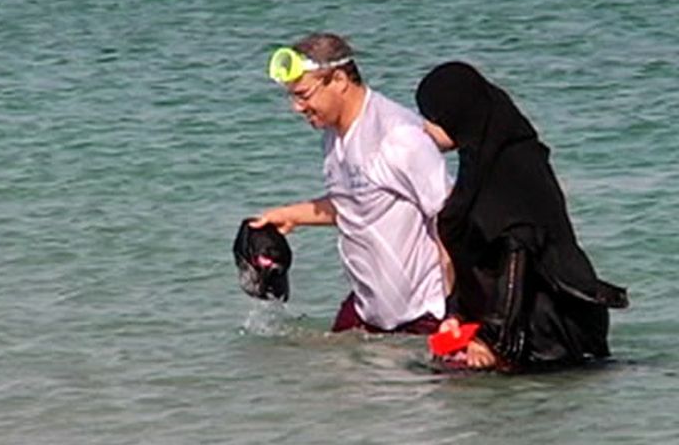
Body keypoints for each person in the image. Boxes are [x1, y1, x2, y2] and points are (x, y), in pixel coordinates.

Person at [415, 61, 629, 371]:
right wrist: (455, 316)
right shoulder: (478, 166)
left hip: (551, 332)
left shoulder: (513, 168)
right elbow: (475, 259)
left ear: (456, 116)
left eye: (432, 118)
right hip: (513, 327)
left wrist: (493, 342)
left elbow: (517, 262)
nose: (425, 128)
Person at [251, 33, 452, 335]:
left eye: (304, 95)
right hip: (366, 308)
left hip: (424, 315)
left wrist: (458, 308)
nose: (297, 107)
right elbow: (356, 201)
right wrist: (290, 215)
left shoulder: (397, 137)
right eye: (292, 97)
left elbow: (452, 216)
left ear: (340, 80)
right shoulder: (333, 136)